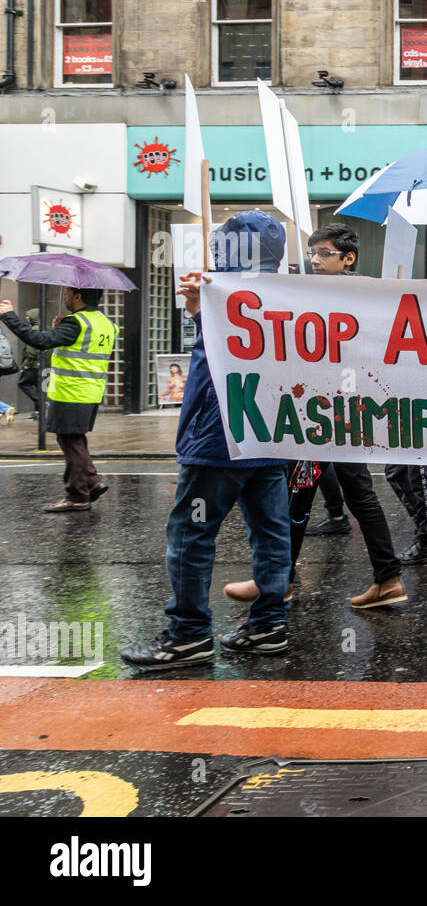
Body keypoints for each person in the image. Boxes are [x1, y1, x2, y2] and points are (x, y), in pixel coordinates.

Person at [121, 211, 292, 669]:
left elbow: (226, 354)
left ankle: (189, 633)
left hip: (219, 433)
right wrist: (204, 309)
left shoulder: (226, 292)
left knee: (191, 535)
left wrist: (205, 308)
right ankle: (268, 625)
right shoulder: (294, 296)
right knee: (270, 531)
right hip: (271, 431)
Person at [223, 222, 408, 608]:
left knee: (301, 494)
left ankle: (278, 582)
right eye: (313, 253)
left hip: (333, 413)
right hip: (332, 410)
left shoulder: (355, 294)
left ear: (348, 258)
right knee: (344, 493)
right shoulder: (322, 292)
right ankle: (386, 579)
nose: (315, 260)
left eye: (324, 253)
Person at [0, 287, 117, 511]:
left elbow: (39, 341)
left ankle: (77, 496)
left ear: (78, 297)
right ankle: (91, 482)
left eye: (67, 294)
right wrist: (60, 331)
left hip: (71, 391)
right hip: (91, 390)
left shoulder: (76, 322)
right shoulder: (105, 322)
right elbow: (81, 347)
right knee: (74, 440)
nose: (64, 298)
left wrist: (9, 317)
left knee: (70, 443)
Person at [17, 308, 43, 418]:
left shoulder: (34, 330)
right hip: (40, 364)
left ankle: (40, 403)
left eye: (29, 316)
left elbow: (31, 350)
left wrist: (27, 363)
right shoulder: (41, 328)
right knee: (38, 386)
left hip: (33, 364)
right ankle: (38, 411)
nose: (26, 318)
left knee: (22, 383)